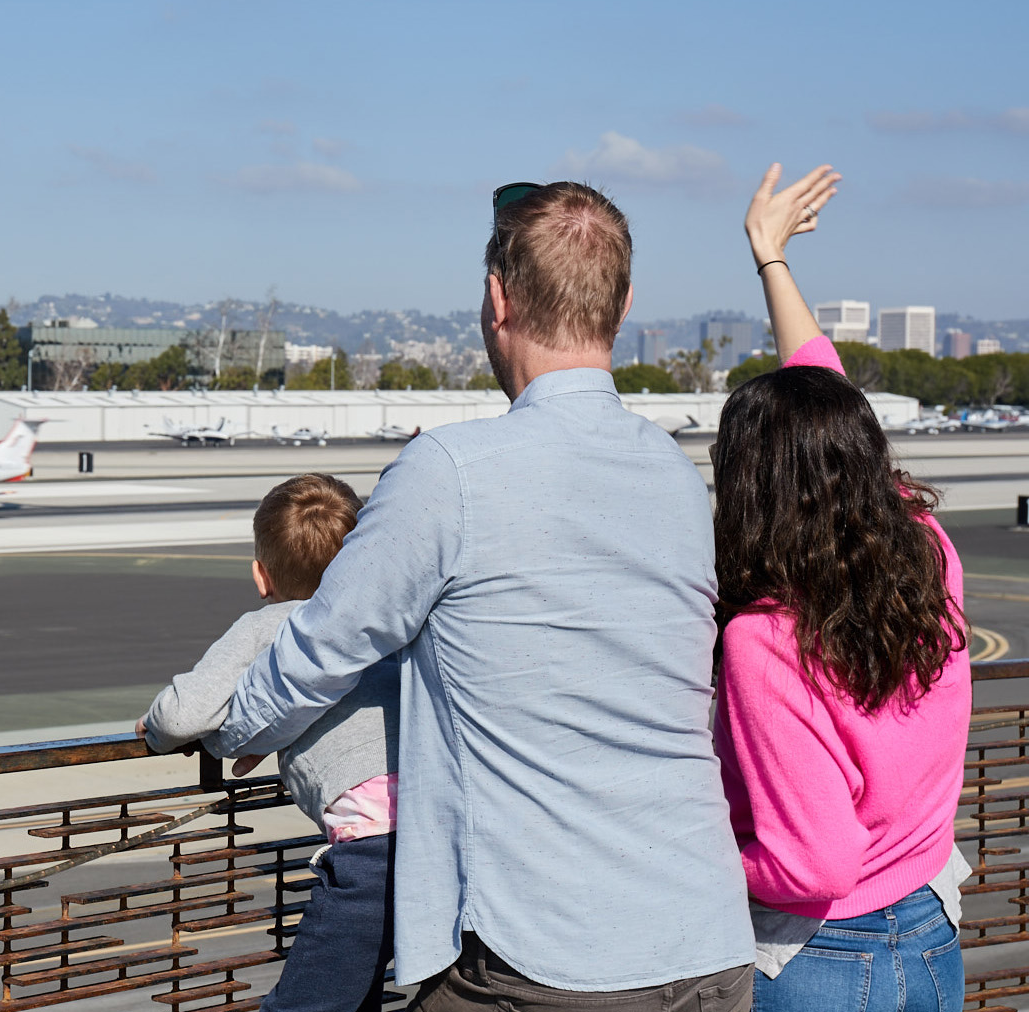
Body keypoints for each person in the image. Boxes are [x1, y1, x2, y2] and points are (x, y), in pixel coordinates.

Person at [214, 182, 755, 1010]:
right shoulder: (674, 475)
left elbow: (320, 649)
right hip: (706, 941)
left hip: (546, 955)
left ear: (497, 300)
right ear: (623, 307)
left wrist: (231, 726)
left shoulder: (450, 471)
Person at [712, 163, 971, 1012]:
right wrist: (771, 258)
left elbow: (813, 865)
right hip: (930, 932)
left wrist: (703, 856)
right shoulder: (926, 551)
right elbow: (827, 400)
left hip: (819, 957)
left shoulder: (764, 637)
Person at [137, 473, 401, 1012]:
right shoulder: (385, 620)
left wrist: (152, 726)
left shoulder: (273, 624)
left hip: (373, 853)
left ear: (262, 576)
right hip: (448, 830)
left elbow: (184, 715)